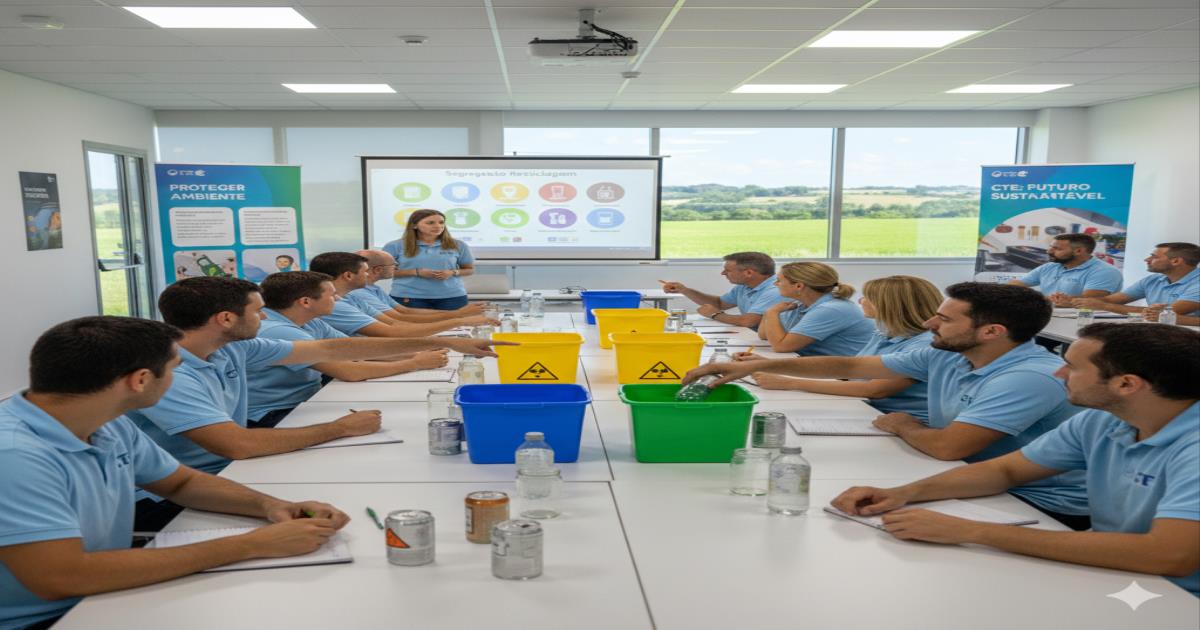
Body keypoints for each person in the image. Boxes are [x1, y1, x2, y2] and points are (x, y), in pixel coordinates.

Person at [0, 316, 353, 629]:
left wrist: (271, 506)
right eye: (174, 369)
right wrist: (252, 545)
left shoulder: (107, 423)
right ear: (140, 380)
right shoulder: (15, 455)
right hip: (48, 617)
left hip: (102, 596)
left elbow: (181, 482)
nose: (176, 377)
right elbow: (62, 577)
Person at [829, 323, 1199, 596]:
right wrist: (903, 493)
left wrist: (971, 531)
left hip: (1173, 596)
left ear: (1126, 384)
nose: (1059, 373)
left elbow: (1169, 555)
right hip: (1122, 575)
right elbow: (1006, 470)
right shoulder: (1103, 419)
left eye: (1072, 367)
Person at [684, 282, 1089, 529]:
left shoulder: (1027, 377)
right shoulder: (948, 353)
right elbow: (851, 366)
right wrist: (756, 365)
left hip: (1038, 505)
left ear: (991, 332)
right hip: (970, 480)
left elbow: (949, 446)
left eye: (944, 320)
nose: (929, 325)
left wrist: (902, 424)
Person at [126, 276, 506, 530]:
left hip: (234, 471)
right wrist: (339, 428)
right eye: (257, 311)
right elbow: (236, 444)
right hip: (181, 493)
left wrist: (445, 341)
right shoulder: (170, 373)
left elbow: (329, 348)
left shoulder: (233, 347)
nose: (264, 316)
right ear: (225, 318)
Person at [247, 271, 451, 428]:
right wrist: (414, 363)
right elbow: (350, 371)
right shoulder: (280, 330)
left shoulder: (310, 321)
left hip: (307, 399)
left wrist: (416, 353)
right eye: (332, 295)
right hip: (275, 412)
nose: (337, 299)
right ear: (306, 302)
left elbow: (355, 350)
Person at [746, 275, 939, 420]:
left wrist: (789, 382)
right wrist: (773, 365)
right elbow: (848, 371)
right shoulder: (884, 332)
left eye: (867, 297)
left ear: (889, 305)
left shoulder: (923, 344)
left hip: (904, 420)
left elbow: (874, 390)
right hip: (870, 409)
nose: (861, 301)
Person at [308, 252, 493, 337]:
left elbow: (395, 321)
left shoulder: (353, 296)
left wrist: (457, 319)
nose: (368, 275)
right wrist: (458, 319)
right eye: (365, 271)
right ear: (348, 275)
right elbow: (392, 329)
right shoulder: (336, 304)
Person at [756, 262, 874, 356]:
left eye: (779, 280)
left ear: (799, 286)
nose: (775, 284)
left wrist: (772, 312)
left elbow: (781, 346)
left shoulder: (831, 309)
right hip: (824, 366)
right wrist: (770, 312)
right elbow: (764, 335)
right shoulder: (801, 304)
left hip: (847, 374)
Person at [346, 249, 487, 324]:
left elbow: (404, 311)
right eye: (394, 265)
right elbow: (398, 320)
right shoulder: (359, 292)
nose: (397, 267)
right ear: (377, 270)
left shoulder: (374, 288)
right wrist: (458, 316)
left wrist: (458, 315)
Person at [1073, 242, 1200, 325]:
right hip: (1164, 332)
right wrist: (1071, 301)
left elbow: (1166, 314)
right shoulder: (1153, 279)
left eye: (1154, 257)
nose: (1147, 259)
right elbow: (1111, 299)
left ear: (1176, 261)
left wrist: (1104, 306)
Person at [659, 251, 786, 329]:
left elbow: (748, 321)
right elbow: (720, 304)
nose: (723, 273)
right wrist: (684, 290)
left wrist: (715, 315)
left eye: (728, 270)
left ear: (748, 273)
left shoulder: (775, 290)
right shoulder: (744, 286)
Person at [383, 209, 476, 311]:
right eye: (430, 223)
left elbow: (469, 269)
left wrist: (452, 272)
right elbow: (382, 272)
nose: (438, 226)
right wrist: (416, 272)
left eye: (441, 222)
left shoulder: (458, 245)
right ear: (414, 225)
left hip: (452, 297)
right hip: (408, 297)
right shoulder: (394, 246)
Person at [1008, 234, 1123, 306]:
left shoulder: (1105, 271)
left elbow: (1090, 300)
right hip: (1049, 316)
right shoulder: (1050, 266)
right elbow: (1015, 284)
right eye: (1051, 247)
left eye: (1056, 248)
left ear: (1078, 251)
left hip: (1083, 321)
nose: (1049, 251)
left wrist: (1034, 299)